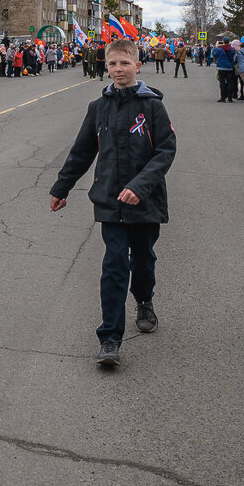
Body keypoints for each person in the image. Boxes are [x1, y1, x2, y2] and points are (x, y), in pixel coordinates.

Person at [48, 39, 176, 367]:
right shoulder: (98, 108)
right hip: (109, 200)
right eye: (112, 64)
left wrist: (140, 187)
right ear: (106, 67)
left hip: (144, 202)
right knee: (115, 265)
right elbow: (82, 151)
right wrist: (61, 188)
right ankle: (110, 338)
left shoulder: (152, 107)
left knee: (144, 260)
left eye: (124, 64)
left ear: (138, 66)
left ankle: (144, 300)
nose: (118, 70)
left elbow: (165, 150)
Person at [214, 38, 236, 102]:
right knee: (230, 82)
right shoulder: (232, 49)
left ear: (223, 42)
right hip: (229, 67)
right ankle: (230, 98)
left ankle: (223, 98)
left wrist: (216, 46)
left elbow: (214, 53)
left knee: (222, 83)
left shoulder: (219, 49)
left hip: (221, 67)